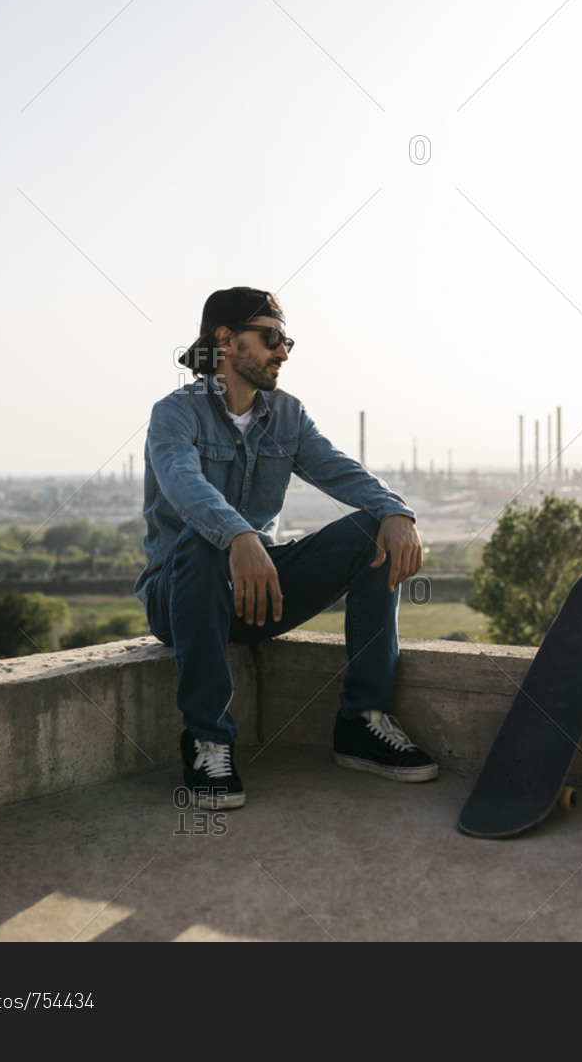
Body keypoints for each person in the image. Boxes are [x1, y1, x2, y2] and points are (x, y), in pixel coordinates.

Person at [134, 286, 437, 809]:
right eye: (271, 337)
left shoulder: (287, 416)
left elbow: (339, 469)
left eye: (286, 339)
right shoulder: (174, 414)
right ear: (225, 340)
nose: (283, 352)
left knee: (372, 532)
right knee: (206, 541)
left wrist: (396, 512)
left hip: (256, 593)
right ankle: (208, 739)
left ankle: (362, 721)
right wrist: (239, 535)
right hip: (180, 597)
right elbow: (185, 485)